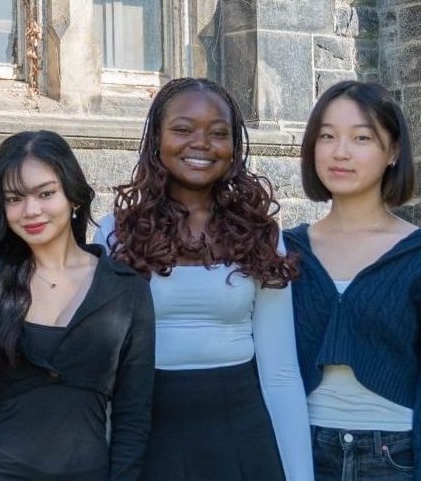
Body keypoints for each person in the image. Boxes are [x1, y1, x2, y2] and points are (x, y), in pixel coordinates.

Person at [93, 77, 312, 481]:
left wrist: (300, 476)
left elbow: (280, 371)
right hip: (148, 434)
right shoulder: (114, 234)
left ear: (234, 148)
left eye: (218, 133)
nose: (201, 143)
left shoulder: (260, 235)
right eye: (182, 129)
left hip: (242, 436)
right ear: (156, 138)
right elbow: (105, 368)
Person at [284, 81, 421, 481]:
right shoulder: (286, 253)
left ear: (393, 151)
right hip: (300, 454)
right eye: (327, 136)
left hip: (394, 457)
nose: (340, 152)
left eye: (361, 137)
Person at [0, 130, 155, 480]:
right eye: (14, 198)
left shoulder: (126, 290)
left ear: (73, 196)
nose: (31, 210)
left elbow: (133, 416)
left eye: (46, 194)